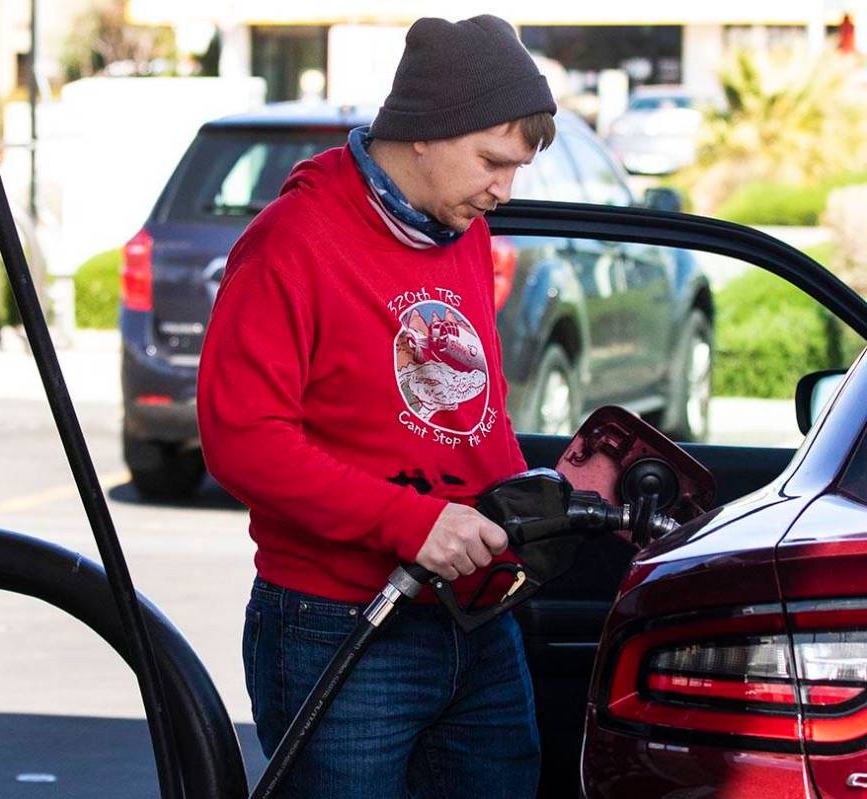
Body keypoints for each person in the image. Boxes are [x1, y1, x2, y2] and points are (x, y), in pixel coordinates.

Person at [197, 15, 557, 799]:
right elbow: (242, 441)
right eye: (492, 161)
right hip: (341, 622)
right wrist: (415, 524)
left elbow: (464, 410)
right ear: (426, 131)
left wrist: (537, 494)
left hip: (475, 615)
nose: (504, 189)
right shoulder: (292, 241)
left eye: (517, 167)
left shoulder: (457, 228)